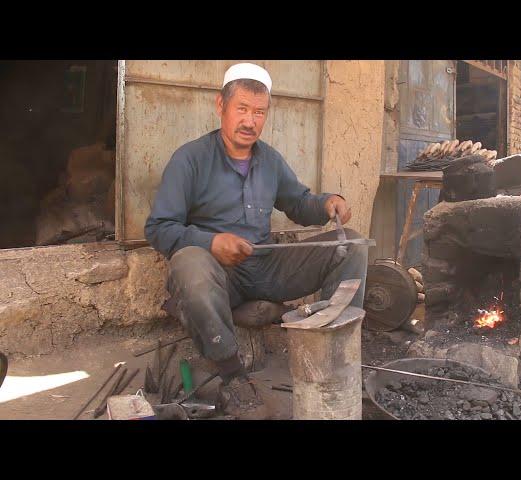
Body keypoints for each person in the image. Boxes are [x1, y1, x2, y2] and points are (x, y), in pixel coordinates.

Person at [145, 63, 368, 418]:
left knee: (351, 246)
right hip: (220, 275)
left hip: (265, 266)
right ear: (221, 106)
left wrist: (327, 202)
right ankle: (234, 377)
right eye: (242, 109)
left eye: (259, 112)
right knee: (189, 263)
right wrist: (210, 243)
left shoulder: (269, 159)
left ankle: (336, 356)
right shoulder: (190, 159)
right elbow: (158, 228)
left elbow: (298, 203)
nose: (250, 121)